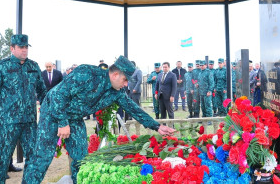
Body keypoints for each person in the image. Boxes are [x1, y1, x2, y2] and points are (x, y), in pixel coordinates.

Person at [23, 56, 175, 183]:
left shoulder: (117, 92)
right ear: (115, 75)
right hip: (53, 113)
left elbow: (133, 108)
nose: (126, 84)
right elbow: (58, 96)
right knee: (41, 159)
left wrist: (156, 126)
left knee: (81, 160)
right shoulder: (87, 73)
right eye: (125, 79)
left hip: (74, 118)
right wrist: (62, 123)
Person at [0, 34, 47, 184]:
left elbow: (43, 92)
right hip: (8, 123)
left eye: (26, 47)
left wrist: (49, 113)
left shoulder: (33, 66)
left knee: (33, 157)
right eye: (21, 47)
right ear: (12, 48)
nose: (24, 50)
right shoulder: (1, 67)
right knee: (3, 159)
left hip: (29, 122)